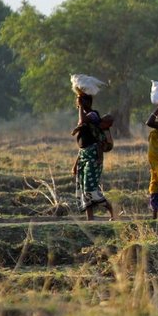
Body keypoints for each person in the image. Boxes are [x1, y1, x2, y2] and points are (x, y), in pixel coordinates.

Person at [71, 93, 115, 221]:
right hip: (83, 154)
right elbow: (82, 145)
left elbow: (82, 121)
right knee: (84, 189)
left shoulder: (93, 115)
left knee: (90, 188)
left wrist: (80, 107)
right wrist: (75, 164)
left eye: (81, 101)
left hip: (93, 156)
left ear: (88, 103)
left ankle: (112, 210)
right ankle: (90, 218)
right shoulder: (86, 116)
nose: (78, 103)